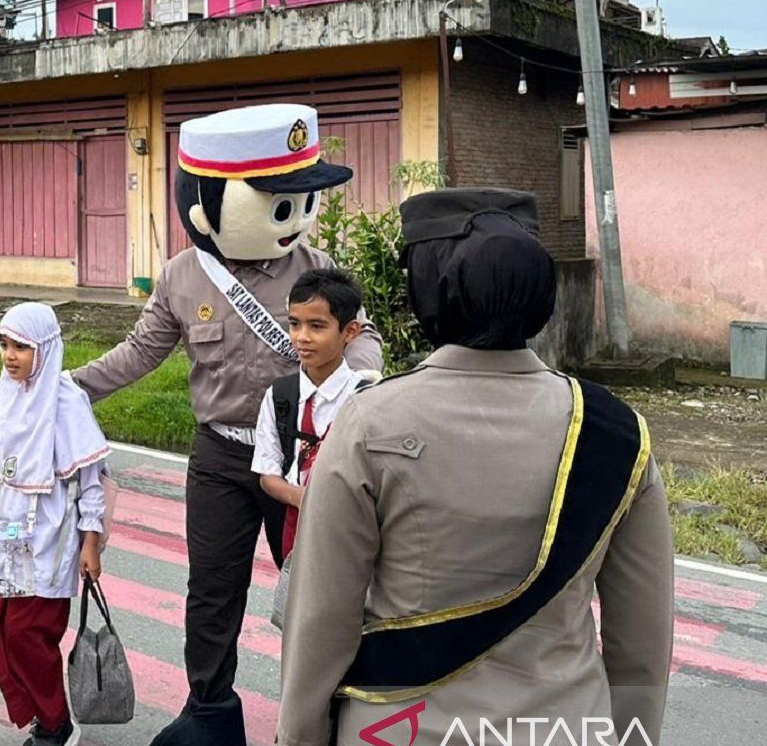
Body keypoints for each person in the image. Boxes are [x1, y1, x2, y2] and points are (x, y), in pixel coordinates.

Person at [277, 188, 674, 746]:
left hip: (398, 731)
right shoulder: (616, 433)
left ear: (429, 290)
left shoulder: (369, 422)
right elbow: (642, 648)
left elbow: (320, 624)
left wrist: (299, 737)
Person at [72, 104, 383, 746]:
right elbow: (139, 351)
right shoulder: (183, 277)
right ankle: (211, 713)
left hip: (299, 460)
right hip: (219, 456)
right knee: (212, 592)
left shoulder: (314, 267)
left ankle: (325, 714)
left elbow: (362, 336)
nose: (293, 218)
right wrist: (66, 388)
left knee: (317, 592)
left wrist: (364, 384)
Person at [0, 302, 108, 746]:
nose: (10, 355)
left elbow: (90, 481)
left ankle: (57, 723)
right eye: (4, 344)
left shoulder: (66, 403)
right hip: (3, 532)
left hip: (50, 535)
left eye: (21, 346)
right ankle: (42, 714)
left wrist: (90, 543)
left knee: (28, 632)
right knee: (1, 628)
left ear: (44, 348)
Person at [251, 268, 364, 561]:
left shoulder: (365, 398)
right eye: (294, 324)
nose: (302, 337)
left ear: (349, 331)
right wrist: (304, 499)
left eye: (317, 326)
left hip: (350, 534)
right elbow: (267, 473)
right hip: (292, 529)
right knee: (291, 602)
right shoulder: (280, 396)